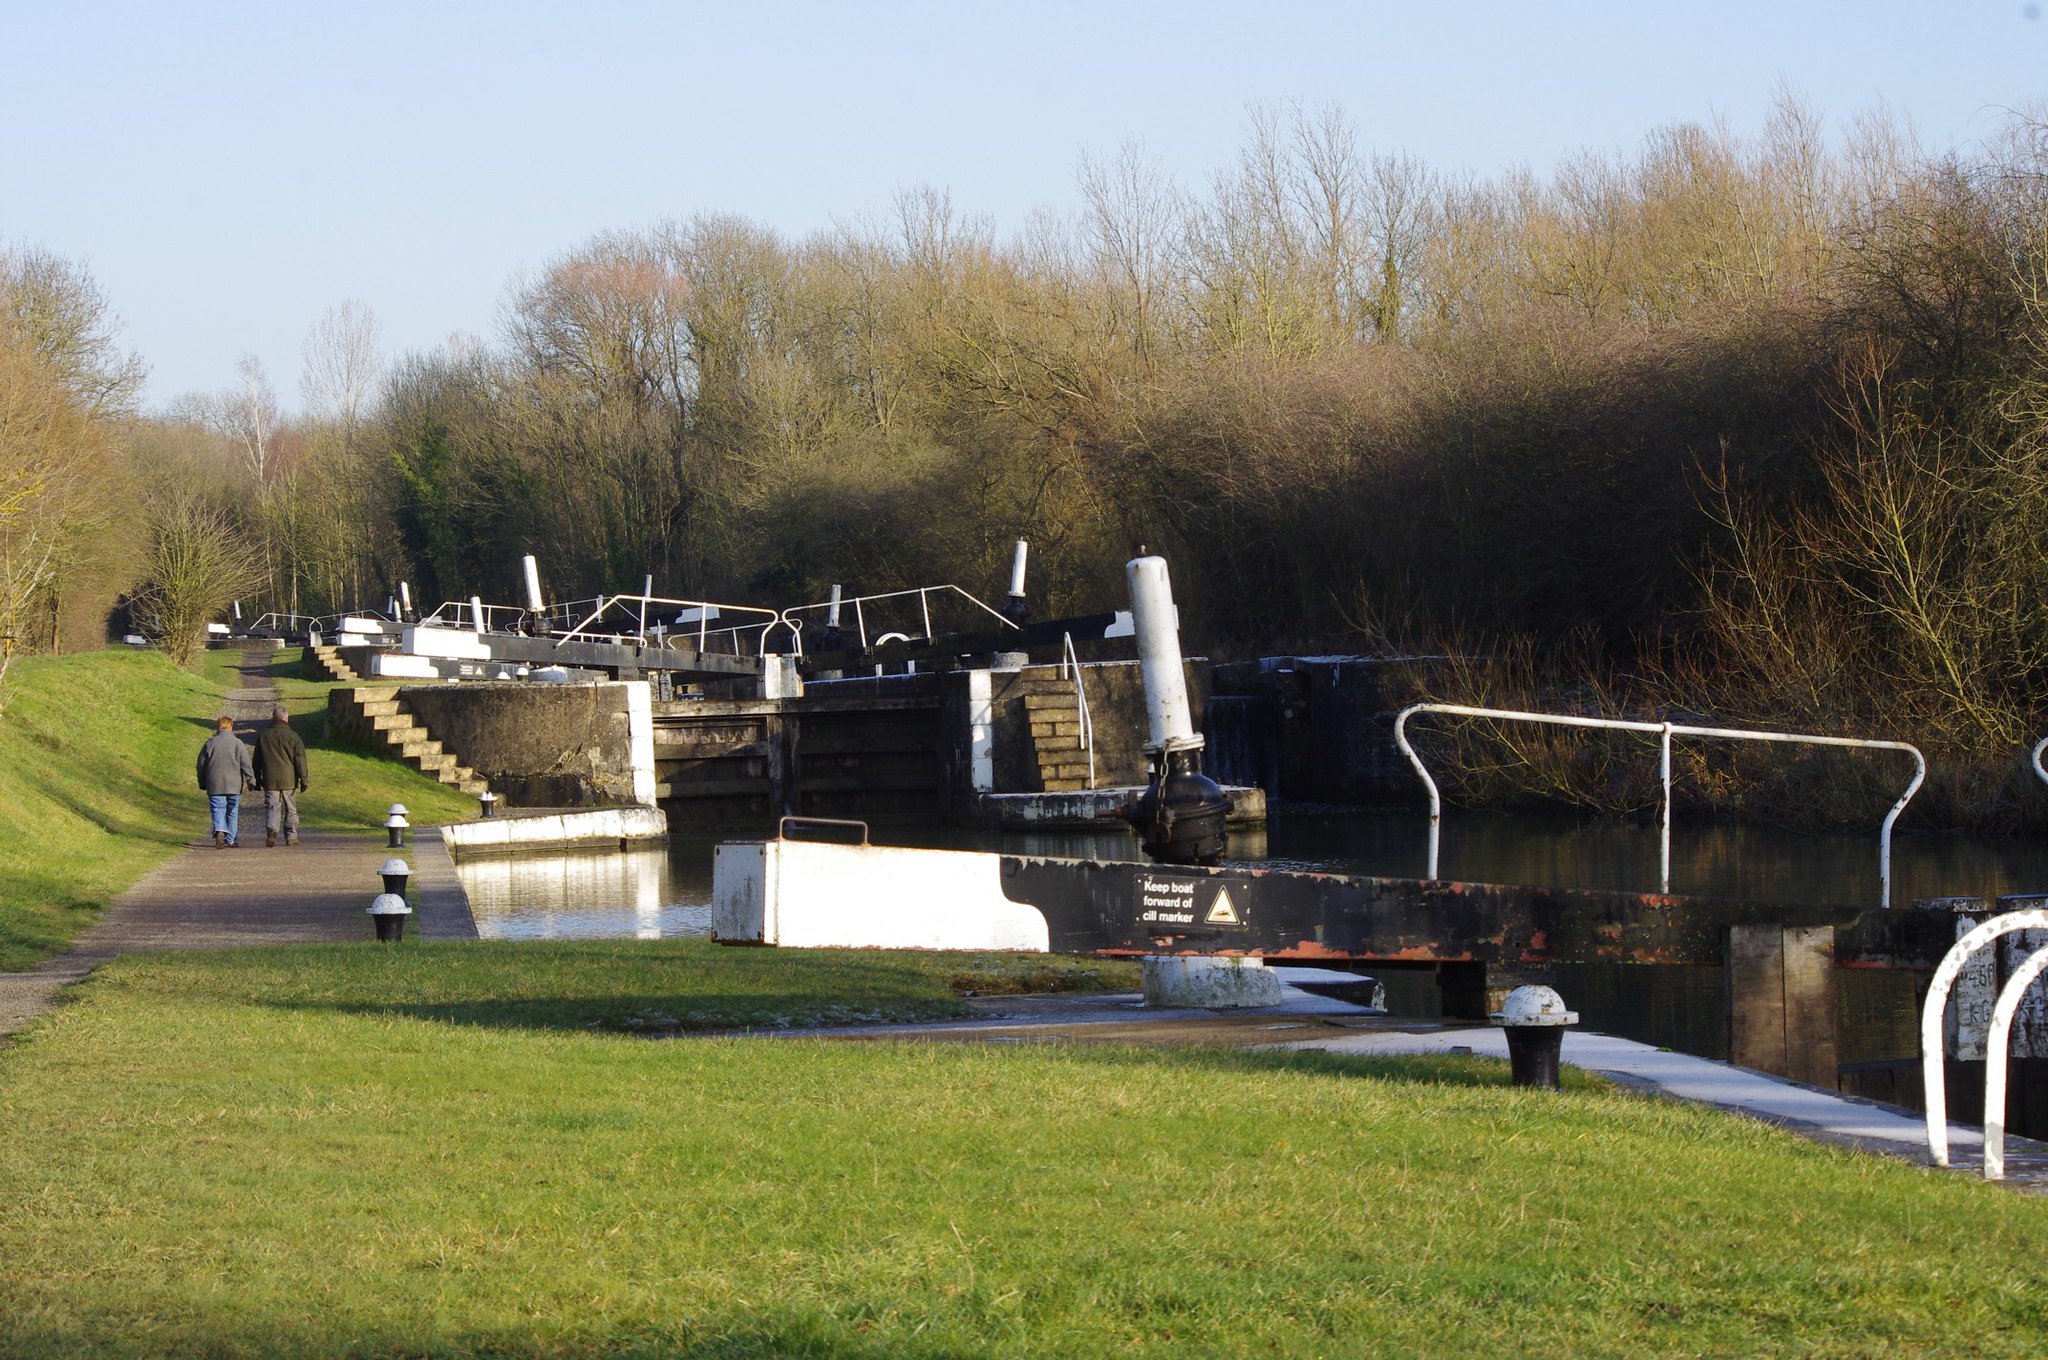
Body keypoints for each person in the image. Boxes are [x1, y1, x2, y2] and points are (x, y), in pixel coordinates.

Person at [253, 705, 310, 847]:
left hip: (270, 778)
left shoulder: (264, 736)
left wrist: (257, 777)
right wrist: (304, 780)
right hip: (289, 779)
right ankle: (291, 835)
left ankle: (272, 829)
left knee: (272, 806)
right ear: (286, 718)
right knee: (290, 808)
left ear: (273, 718)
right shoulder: (293, 737)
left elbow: (257, 760)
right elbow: (300, 759)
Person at [196, 715, 253, 848]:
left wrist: (202, 781)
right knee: (232, 811)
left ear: (218, 727)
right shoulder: (238, 743)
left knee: (218, 808)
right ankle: (231, 839)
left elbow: (201, 765)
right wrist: (251, 780)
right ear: (231, 727)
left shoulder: (210, 743)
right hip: (234, 784)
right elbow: (246, 764)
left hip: (215, 783)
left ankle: (220, 829)